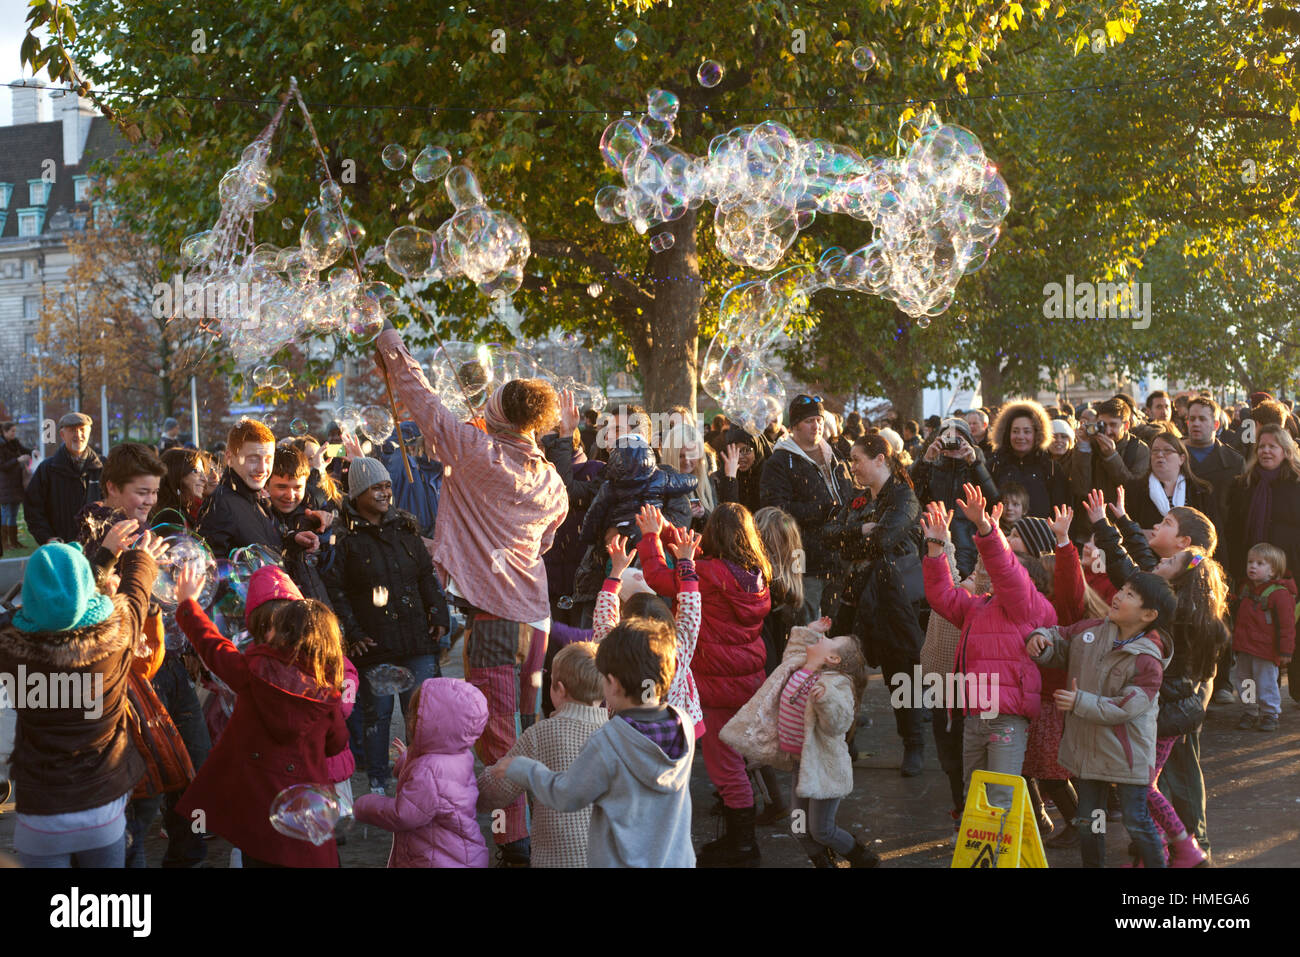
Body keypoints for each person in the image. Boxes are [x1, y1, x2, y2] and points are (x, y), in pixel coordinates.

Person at [377, 327, 568, 866]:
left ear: (503, 417)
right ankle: (541, 824)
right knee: (531, 726)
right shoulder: (551, 479)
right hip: (538, 619)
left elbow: (424, 403)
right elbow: (548, 536)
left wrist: (395, 350)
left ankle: (515, 842)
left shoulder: (476, 449)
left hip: (495, 620)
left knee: (499, 736)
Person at [0, 536, 165, 867]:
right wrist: (139, 559)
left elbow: (41, 608)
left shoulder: (8, 649)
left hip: (40, 816)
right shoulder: (116, 637)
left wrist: (100, 558)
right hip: (101, 812)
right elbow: (135, 594)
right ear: (87, 587)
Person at [493, 616, 696, 868]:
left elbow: (566, 795)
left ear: (610, 682)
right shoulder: (684, 725)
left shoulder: (608, 741)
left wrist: (523, 768)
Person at [174, 576, 349, 867]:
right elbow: (337, 743)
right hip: (307, 811)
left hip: (261, 813)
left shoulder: (252, 672)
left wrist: (188, 605)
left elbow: (214, 648)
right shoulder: (326, 693)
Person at [637, 501, 770, 866]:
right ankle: (736, 837)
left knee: (726, 768)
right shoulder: (755, 572)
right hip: (743, 681)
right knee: (732, 762)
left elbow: (662, 579)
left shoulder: (710, 573)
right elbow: (687, 558)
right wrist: (664, 528)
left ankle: (744, 846)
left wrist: (650, 538)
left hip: (715, 685)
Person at [1025, 572, 1177, 868]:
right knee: (1090, 821)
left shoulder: (1148, 659)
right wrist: (1039, 639)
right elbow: (1061, 637)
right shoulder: (1091, 630)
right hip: (1088, 750)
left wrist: (1081, 701)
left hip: (1127, 754)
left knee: (1136, 820)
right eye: (1122, 588)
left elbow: (1128, 706)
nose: (1119, 595)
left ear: (1149, 614)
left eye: (1131, 594)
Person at [920, 485, 1057, 808]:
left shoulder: (1030, 607)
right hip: (974, 715)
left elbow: (1007, 571)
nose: (995, 577)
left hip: (1006, 719)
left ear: (1030, 582)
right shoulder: (979, 606)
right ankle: (980, 857)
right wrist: (937, 548)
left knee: (1000, 798)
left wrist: (984, 527)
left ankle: (1000, 858)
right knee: (975, 798)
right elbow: (942, 598)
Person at [324, 456, 450, 795]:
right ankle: (379, 782)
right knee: (376, 718)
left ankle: (421, 777)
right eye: (376, 487)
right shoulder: (345, 539)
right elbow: (335, 591)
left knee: (421, 715)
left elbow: (426, 576)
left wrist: (438, 614)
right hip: (373, 644)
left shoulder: (406, 529)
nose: (384, 493)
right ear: (358, 493)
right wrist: (351, 633)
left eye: (387, 486)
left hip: (416, 640)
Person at [721, 621, 877, 867]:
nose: (822, 637)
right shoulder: (798, 664)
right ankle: (823, 863)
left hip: (825, 770)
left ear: (833, 659)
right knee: (799, 827)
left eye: (828, 639)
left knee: (821, 830)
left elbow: (840, 721)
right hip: (800, 768)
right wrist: (810, 629)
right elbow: (795, 645)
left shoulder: (835, 685)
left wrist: (826, 701)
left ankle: (863, 859)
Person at [824, 434, 926, 775]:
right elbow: (832, 537)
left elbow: (884, 540)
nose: (852, 467)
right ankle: (844, 739)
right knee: (844, 669)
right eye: (851, 460)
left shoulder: (903, 497)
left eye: (857, 459)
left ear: (880, 459)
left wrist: (858, 535)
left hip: (892, 597)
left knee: (902, 671)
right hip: (855, 594)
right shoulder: (858, 499)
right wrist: (858, 532)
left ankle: (914, 744)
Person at [477, 644, 608, 868]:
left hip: (556, 861)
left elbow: (495, 792)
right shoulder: (618, 734)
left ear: (559, 688)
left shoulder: (540, 734)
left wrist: (473, 785)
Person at [353, 677, 490, 868]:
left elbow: (402, 815)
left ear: (436, 723)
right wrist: (408, 759)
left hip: (435, 860)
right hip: (457, 852)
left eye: (416, 715)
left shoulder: (427, 770)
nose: (409, 721)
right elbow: (433, 782)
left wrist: (364, 805)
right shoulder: (459, 753)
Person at [759, 394, 853, 622]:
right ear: (794, 427)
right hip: (804, 557)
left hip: (839, 554)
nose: (817, 425)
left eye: (819, 419)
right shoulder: (779, 462)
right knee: (807, 621)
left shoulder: (835, 456)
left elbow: (849, 494)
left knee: (836, 622)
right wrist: (822, 509)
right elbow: (776, 510)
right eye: (809, 421)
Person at [911, 416, 998, 578]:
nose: (953, 443)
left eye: (959, 438)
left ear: (968, 441)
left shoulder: (976, 466)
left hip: (968, 543)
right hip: (933, 542)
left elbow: (993, 500)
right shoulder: (932, 466)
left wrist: (974, 463)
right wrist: (925, 461)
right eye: (948, 437)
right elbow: (910, 494)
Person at [578, 433, 697, 548]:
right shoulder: (660, 478)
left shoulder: (610, 486)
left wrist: (587, 537)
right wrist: (694, 480)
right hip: (649, 527)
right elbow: (682, 482)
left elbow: (594, 513)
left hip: (621, 530)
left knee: (617, 560)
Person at [1225, 424, 1300, 584]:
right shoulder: (1243, 484)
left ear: (1285, 451)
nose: (1265, 451)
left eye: (1272, 446)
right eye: (1261, 446)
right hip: (1249, 571)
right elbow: (1233, 529)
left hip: (1290, 570)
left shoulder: (1296, 484)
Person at [1067, 397, 1150, 540]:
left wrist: (1111, 457)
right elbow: (1080, 488)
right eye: (1103, 425)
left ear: (1126, 425)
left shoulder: (1139, 449)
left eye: (1113, 425)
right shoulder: (1090, 445)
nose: (1108, 431)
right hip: (1090, 531)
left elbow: (1133, 490)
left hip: (1124, 530)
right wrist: (1084, 449)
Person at [197, 418, 281, 559]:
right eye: (253, 458)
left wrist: (294, 540)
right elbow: (213, 570)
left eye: (268, 459)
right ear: (230, 458)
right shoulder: (220, 506)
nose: (262, 468)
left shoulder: (255, 498)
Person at [1232, 543, 1294, 732]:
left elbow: (1287, 627)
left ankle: (1270, 713)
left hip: (1266, 650)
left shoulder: (1279, 594)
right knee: (1246, 682)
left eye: (1260, 563)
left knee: (1266, 682)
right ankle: (1250, 711)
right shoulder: (1246, 588)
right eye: (1250, 562)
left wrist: (1285, 651)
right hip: (1245, 647)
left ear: (1273, 570)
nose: (1253, 566)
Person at [265, 446, 336, 606]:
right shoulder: (261, 514)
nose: (290, 495)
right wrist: (292, 539)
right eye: (281, 487)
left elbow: (327, 568)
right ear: (266, 485)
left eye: (297, 488)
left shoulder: (313, 513)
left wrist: (323, 534)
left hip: (317, 605)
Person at [24, 412, 102, 545]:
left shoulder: (103, 468)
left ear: (89, 433)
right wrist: (47, 538)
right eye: (72, 431)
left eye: (82, 430)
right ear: (62, 435)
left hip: (98, 549)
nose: (78, 435)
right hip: (61, 548)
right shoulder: (47, 469)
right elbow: (33, 508)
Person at [1123, 430, 1218, 533]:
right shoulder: (1135, 490)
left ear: (1181, 459)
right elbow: (1126, 530)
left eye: (1167, 450)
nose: (1159, 455)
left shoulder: (1201, 491)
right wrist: (1142, 534)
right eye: (1155, 450)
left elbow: (1213, 534)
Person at [987, 399, 1068, 519]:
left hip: (1041, 535)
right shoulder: (995, 465)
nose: (1021, 436)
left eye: (1027, 431)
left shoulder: (1050, 468)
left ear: (1037, 434)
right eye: (1015, 431)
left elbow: (1061, 509)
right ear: (1007, 433)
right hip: (1002, 536)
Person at [1183, 397, 1245, 543]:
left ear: (1215, 424)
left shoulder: (1234, 462)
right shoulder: (1171, 453)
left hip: (1220, 540)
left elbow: (1239, 510)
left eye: (1202, 419)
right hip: (1179, 539)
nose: (1196, 423)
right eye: (1192, 419)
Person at [713, 425, 768, 514]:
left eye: (746, 450)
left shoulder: (767, 474)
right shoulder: (721, 477)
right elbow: (729, 514)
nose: (740, 456)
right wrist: (731, 478)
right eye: (735, 451)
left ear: (756, 451)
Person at [155, 448, 212, 527]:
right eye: (196, 471)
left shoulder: (186, 509)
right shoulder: (170, 516)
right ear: (176, 474)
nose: (205, 479)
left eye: (204, 472)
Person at [0, 421, 33, 550]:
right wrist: (17, 460)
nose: (14, 433)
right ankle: (4, 543)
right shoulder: (1, 446)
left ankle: (14, 542)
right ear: (5, 432)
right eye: (12, 431)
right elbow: (2, 465)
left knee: (13, 513)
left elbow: (25, 450)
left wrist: (33, 451)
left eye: (15, 431)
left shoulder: (15, 443)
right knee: (6, 513)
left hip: (16, 483)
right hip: (5, 485)